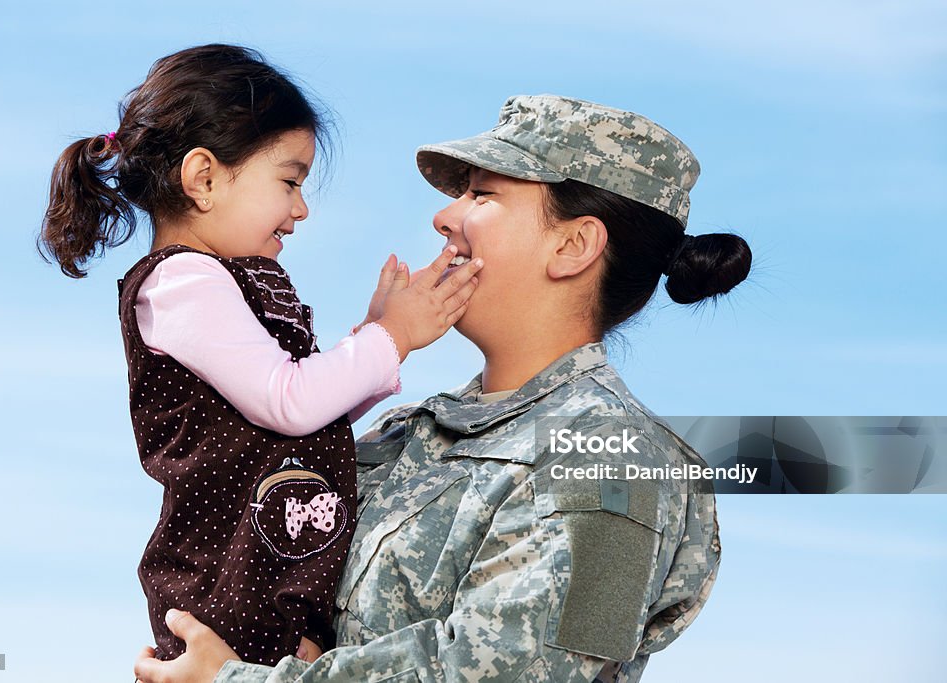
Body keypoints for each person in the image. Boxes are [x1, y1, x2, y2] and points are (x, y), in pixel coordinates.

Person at [133, 94, 751, 683]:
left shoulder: (618, 462)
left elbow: (530, 671)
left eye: (482, 194)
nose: (445, 215)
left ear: (572, 245)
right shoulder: (407, 434)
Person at [39, 44, 484, 667]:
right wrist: (393, 338)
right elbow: (290, 401)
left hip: (265, 565)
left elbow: (296, 415)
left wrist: (376, 330)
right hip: (227, 581)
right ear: (204, 179)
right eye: (289, 181)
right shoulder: (183, 283)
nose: (301, 209)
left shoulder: (220, 279)